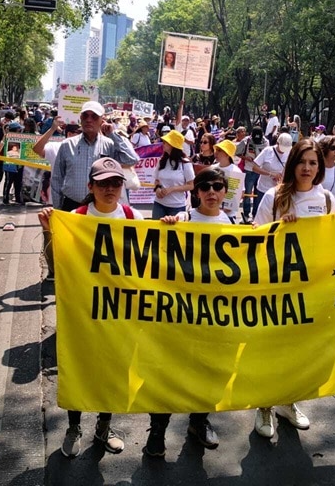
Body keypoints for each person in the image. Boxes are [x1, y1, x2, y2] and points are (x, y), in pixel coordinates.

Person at [39, 157, 141, 457]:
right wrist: (49, 229)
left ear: (123, 186)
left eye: (116, 183)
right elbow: (60, 265)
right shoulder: (76, 218)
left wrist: (171, 226)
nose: (110, 189)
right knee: (78, 369)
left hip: (120, 312)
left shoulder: (134, 217)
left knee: (113, 371)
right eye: (103, 183)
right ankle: (74, 427)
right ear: (91, 186)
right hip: (82, 312)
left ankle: (103, 427)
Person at [253, 139, 335, 438]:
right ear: (292, 163)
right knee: (272, 350)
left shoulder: (328, 200)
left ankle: (288, 401)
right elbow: (254, 238)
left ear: (319, 167)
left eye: (313, 163)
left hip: (312, 292)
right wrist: (279, 227)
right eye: (302, 162)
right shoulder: (273, 196)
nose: (307, 168)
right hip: (277, 288)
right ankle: (264, 405)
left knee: (299, 352)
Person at [144, 167, 230, 456]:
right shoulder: (182, 219)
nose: (211, 192)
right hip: (178, 316)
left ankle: (199, 422)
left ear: (224, 191)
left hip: (213, 319)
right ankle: (157, 432)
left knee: (208, 372)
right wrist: (166, 227)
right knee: (168, 373)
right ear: (196, 192)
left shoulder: (232, 225)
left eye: (217, 186)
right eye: (205, 186)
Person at [50, 101, 138, 212]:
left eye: (94, 116)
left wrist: (112, 134)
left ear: (102, 120)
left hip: (100, 207)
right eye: (85, 115)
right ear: (80, 118)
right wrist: (58, 210)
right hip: (71, 205)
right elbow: (57, 179)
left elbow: (132, 160)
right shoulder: (67, 145)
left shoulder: (109, 145)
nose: (89, 120)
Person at [152, 130, 195, 219]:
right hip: (159, 204)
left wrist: (172, 189)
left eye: (166, 142)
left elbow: (191, 185)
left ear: (173, 145)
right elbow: (156, 180)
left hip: (177, 206)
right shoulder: (162, 160)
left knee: (173, 233)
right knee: (155, 232)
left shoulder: (185, 163)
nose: (163, 144)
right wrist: (157, 189)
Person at [252, 133, 293, 220]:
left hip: (279, 191)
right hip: (263, 189)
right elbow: (255, 167)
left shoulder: (289, 153)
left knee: (276, 216)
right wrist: (270, 173)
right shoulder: (268, 151)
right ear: (278, 143)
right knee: (260, 216)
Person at [235, 126, 268, 223]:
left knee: (258, 193)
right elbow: (236, 152)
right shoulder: (246, 141)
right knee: (248, 193)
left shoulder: (266, 142)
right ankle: (245, 214)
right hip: (249, 170)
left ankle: (255, 215)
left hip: (260, 171)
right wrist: (245, 158)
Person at [211, 139, 246, 223]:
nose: (216, 153)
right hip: (211, 213)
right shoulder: (212, 168)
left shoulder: (236, 171)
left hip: (228, 217)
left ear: (227, 155)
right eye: (216, 150)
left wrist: (225, 209)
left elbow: (240, 193)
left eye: (219, 150)